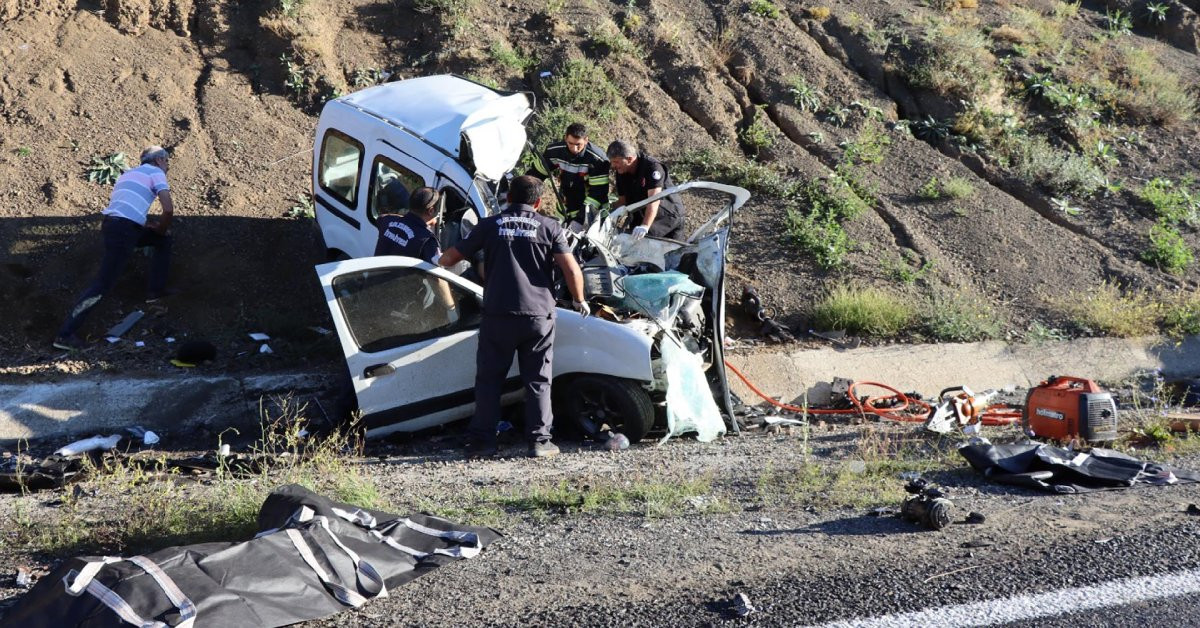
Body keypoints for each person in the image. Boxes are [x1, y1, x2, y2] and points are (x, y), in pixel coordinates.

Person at [438, 175, 589, 459]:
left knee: (489, 380)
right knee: (538, 380)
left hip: (498, 315)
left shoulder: (489, 225)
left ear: (508, 198)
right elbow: (570, 269)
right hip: (537, 317)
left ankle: (483, 442)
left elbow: (448, 259)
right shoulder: (550, 227)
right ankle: (539, 442)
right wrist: (580, 300)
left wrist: (434, 263)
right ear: (539, 201)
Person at [53, 145, 176, 351]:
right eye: (166, 161)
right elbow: (168, 209)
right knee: (102, 285)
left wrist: (147, 226)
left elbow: (125, 206)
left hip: (116, 226)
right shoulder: (156, 172)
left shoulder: (128, 174)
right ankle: (64, 335)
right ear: (158, 161)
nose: (167, 165)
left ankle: (155, 291)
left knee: (162, 241)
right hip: (124, 232)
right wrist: (161, 228)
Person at [528, 122, 610, 226]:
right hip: (565, 206)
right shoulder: (554, 151)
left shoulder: (598, 159)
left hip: (592, 213)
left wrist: (581, 219)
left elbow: (598, 193)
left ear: (586, 140)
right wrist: (525, 199)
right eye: (570, 143)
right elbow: (536, 175)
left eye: (578, 145)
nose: (574, 149)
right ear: (566, 138)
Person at [607, 140, 687, 240]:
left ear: (629, 159)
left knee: (668, 251)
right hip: (640, 215)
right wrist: (607, 213)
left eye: (616, 162)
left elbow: (654, 201)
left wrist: (645, 225)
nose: (613, 166)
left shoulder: (652, 167)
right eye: (612, 162)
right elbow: (623, 201)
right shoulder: (621, 171)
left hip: (666, 216)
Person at [374, 184, 442, 263]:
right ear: (431, 211)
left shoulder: (387, 221)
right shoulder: (428, 240)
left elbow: (382, 218)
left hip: (376, 274)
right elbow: (434, 272)